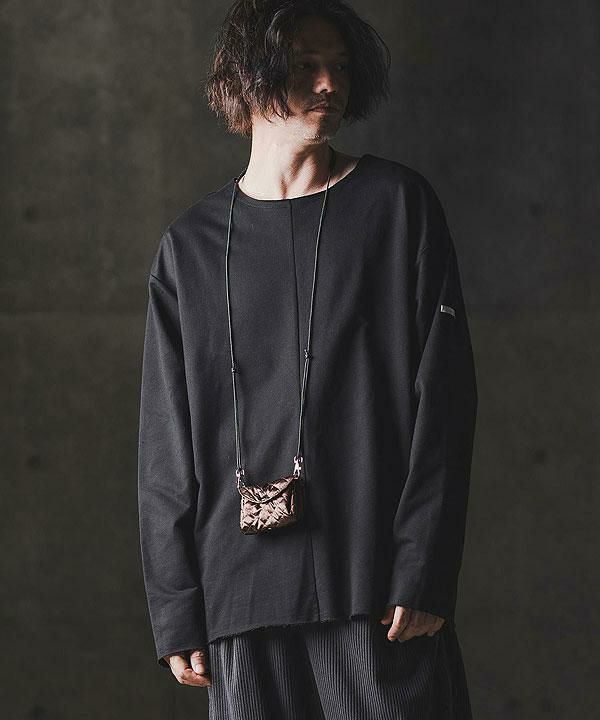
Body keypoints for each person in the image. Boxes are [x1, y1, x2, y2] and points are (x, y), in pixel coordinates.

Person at [137, 1, 478, 717]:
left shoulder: (397, 207)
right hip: (239, 600)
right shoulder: (190, 247)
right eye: (304, 66)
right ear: (247, 78)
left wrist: (423, 565)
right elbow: (165, 446)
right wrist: (175, 605)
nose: (330, 84)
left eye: (341, 67)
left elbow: (445, 403)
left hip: (375, 589)